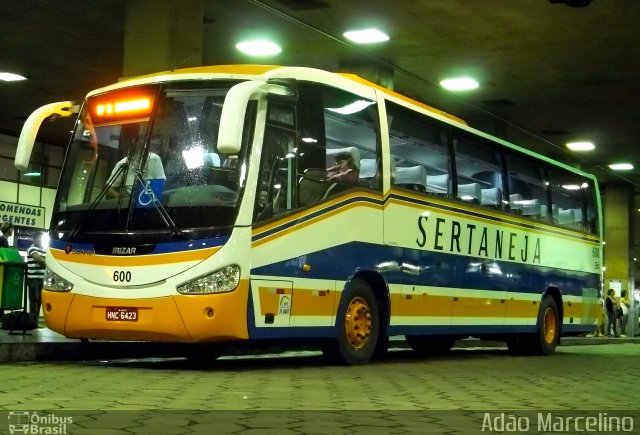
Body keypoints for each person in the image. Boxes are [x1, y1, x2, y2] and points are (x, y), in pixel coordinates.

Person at [27, 233, 46, 326]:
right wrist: (47, 262)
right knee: (34, 301)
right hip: (33, 279)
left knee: (39, 301)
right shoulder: (31, 248)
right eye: (39, 237)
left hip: (42, 279)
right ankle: (32, 323)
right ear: (34, 238)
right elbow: (40, 260)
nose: (40, 239)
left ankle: (35, 322)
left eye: (41, 238)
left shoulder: (43, 249)